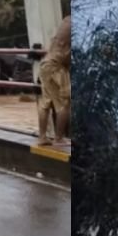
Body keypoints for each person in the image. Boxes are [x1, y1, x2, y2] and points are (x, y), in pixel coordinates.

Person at [37, 16, 71, 146]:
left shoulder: (66, 22)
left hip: (45, 64)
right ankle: (59, 138)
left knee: (45, 103)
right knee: (63, 103)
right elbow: (67, 56)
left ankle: (42, 137)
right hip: (56, 66)